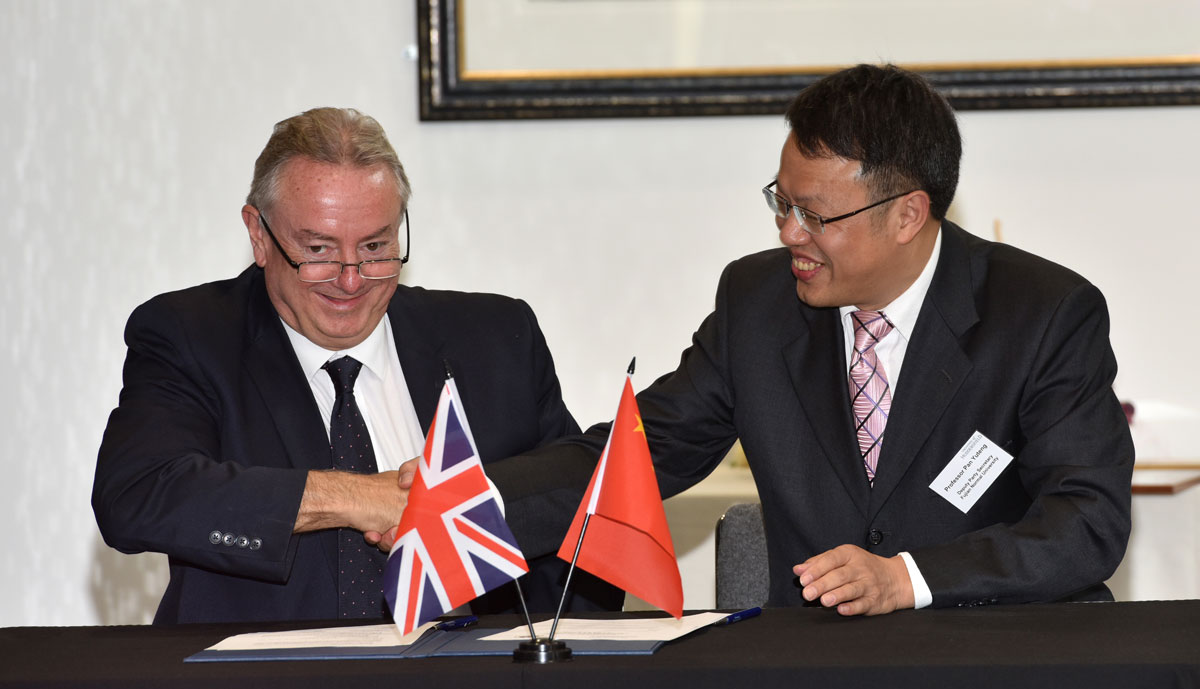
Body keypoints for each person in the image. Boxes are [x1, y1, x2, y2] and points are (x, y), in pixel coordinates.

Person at [485, 64, 1134, 615]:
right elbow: (637, 454)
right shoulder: (757, 305)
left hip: (995, 658)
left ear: (908, 213)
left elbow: (1085, 522)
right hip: (817, 664)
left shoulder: (1042, 314)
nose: (788, 233)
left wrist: (906, 578)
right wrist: (459, 502)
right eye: (781, 202)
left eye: (815, 216)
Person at [93, 107, 620, 624]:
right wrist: (357, 497)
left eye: (375, 247)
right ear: (259, 234)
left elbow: (578, 513)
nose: (351, 280)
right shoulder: (193, 336)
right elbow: (136, 493)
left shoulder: (495, 337)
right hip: (266, 684)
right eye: (319, 250)